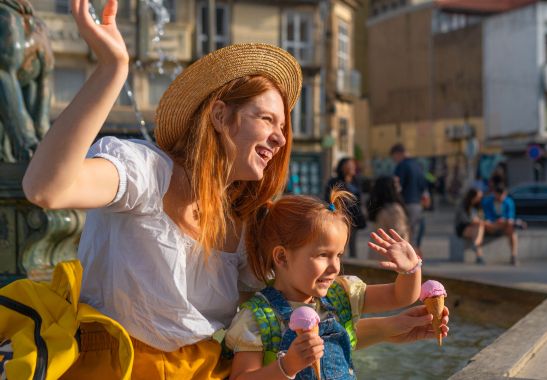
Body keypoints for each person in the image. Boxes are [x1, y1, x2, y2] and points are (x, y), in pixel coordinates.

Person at [21, 1, 450, 377]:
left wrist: (395, 327)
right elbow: (46, 189)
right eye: (267, 120)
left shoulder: (245, 226)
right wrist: (112, 70)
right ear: (220, 115)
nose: (282, 139)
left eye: (284, 128)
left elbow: (283, 322)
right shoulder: (144, 170)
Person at [226, 190, 438, 379]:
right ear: (281, 258)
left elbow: (399, 297)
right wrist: (287, 366)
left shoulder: (341, 294)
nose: (335, 267)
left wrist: (410, 270)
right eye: (323, 255)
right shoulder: (257, 317)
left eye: (338, 255)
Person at [325, 157, 366, 258]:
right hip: (340, 217)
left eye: (353, 165)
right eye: (349, 165)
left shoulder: (357, 181)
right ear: (342, 167)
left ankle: (353, 267)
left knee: (353, 245)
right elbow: (329, 199)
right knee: (340, 244)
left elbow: (360, 199)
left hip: (354, 218)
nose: (352, 167)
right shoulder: (334, 181)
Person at [390, 144, 428, 252]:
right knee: (415, 236)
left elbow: (397, 186)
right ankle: (417, 265)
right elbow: (423, 186)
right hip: (417, 204)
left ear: (398, 154)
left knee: (406, 236)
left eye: (394, 157)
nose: (394, 160)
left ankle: (410, 264)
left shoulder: (402, 166)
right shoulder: (418, 165)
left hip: (405, 203)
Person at [481, 185, 522, 266]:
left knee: (512, 231)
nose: (502, 198)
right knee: (489, 223)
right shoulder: (487, 201)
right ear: (495, 194)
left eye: (504, 196)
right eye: (500, 196)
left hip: (504, 226)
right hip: (491, 226)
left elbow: (510, 216)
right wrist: (494, 221)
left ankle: (514, 256)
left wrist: (505, 220)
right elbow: (486, 216)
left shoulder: (508, 202)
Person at [367, 176, 410, 249]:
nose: (399, 186)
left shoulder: (378, 207)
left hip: (377, 251)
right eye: (396, 183)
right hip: (391, 253)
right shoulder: (394, 210)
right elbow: (399, 235)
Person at [454, 188, 486, 264]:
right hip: (463, 227)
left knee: (479, 228)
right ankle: (478, 254)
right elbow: (464, 220)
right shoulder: (463, 205)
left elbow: (482, 217)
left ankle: (477, 252)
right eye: (478, 197)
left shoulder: (478, 206)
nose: (479, 199)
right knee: (479, 228)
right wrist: (475, 221)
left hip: (476, 227)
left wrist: (478, 221)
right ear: (472, 196)